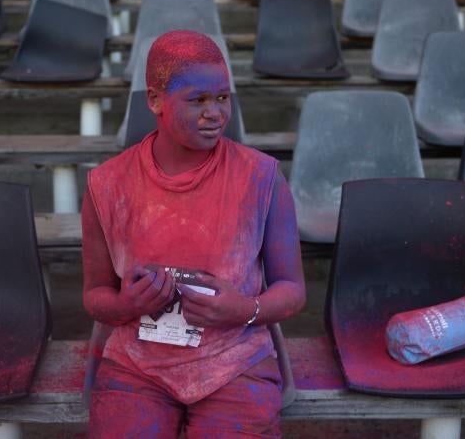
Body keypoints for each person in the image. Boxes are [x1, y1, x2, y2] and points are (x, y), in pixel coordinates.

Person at [82, 30, 306, 437]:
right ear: (154, 101)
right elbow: (96, 295)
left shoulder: (262, 177)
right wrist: (125, 305)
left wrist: (246, 310)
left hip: (234, 362)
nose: (215, 114)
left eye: (222, 98)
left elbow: (292, 288)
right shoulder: (108, 184)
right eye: (198, 100)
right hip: (139, 363)